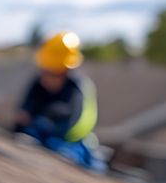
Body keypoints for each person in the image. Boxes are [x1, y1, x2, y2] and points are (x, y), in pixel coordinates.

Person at [16, 32, 104, 171]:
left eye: (52, 73)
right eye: (45, 71)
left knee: (74, 155)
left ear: (65, 70)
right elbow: (23, 113)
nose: (47, 77)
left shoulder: (77, 88)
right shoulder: (37, 84)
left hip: (71, 142)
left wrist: (49, 124)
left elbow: (75, 123)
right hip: (40, 136)